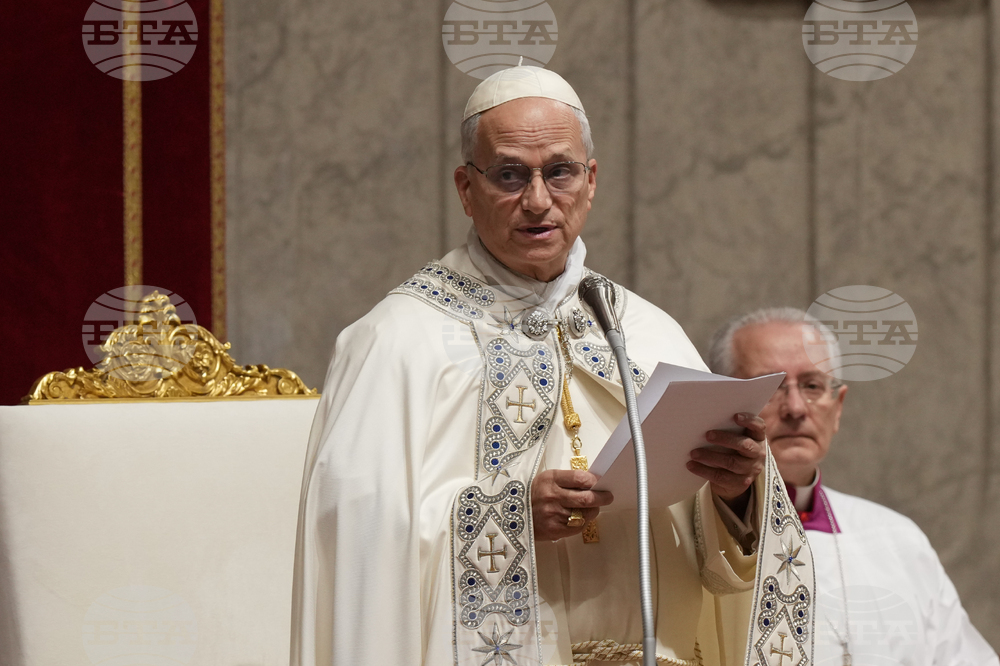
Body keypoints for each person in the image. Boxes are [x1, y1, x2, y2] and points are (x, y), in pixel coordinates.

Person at [291, 66, 815, 666]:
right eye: (509, 175)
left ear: (590, 182)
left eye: (559, 172)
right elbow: (357, 545)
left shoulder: (643, 330)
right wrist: (509, 517)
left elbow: (715, 561)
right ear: (466, 188)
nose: (538, 201)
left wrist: (734, 493)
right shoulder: (396, 341)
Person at [707, 307, 999, 665]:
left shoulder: (898, 539)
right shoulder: (684, 533)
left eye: (812, 385)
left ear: (838, 406)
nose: (796, 407)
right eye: (771, 386)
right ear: (721, 400)